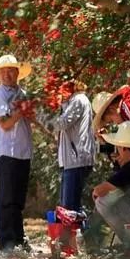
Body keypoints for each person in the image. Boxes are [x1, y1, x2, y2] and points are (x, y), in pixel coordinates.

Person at [0, 54, 33, 252]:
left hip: (23, 151)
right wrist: (21, 111)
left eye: (10, 70)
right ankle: (6, 242)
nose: (6, 74)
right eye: (2, 71)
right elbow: (4, 124)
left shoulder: (24, 93)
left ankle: (18, 239)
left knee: (17, 199)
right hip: (7, 151)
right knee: (6, 198)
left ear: (17, 72)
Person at [51, 80, 96, 213]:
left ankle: (79, 231)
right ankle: (78, 231)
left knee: (70, 207)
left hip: (76, 159)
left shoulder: (78, 100)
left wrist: (47, 118)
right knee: (70, 204)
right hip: (73, 160)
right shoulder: (75, 101)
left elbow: (63, 123)